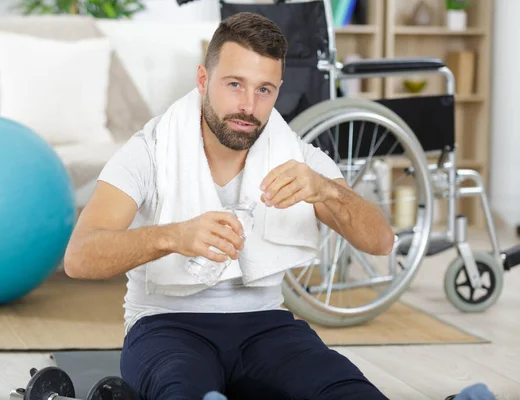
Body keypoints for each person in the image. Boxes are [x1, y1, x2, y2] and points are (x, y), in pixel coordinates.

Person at [64, 12, 395, 400]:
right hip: (166, 327)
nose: (248, 106)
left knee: (350, 392)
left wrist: (327, 190)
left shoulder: (297, 159)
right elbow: (79, 257)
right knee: (183, 392)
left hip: (267, 327)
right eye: (235, 84)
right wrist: (174, 235)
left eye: (264, 90)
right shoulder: (149, 151)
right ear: (203, 80)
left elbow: (381, 242)